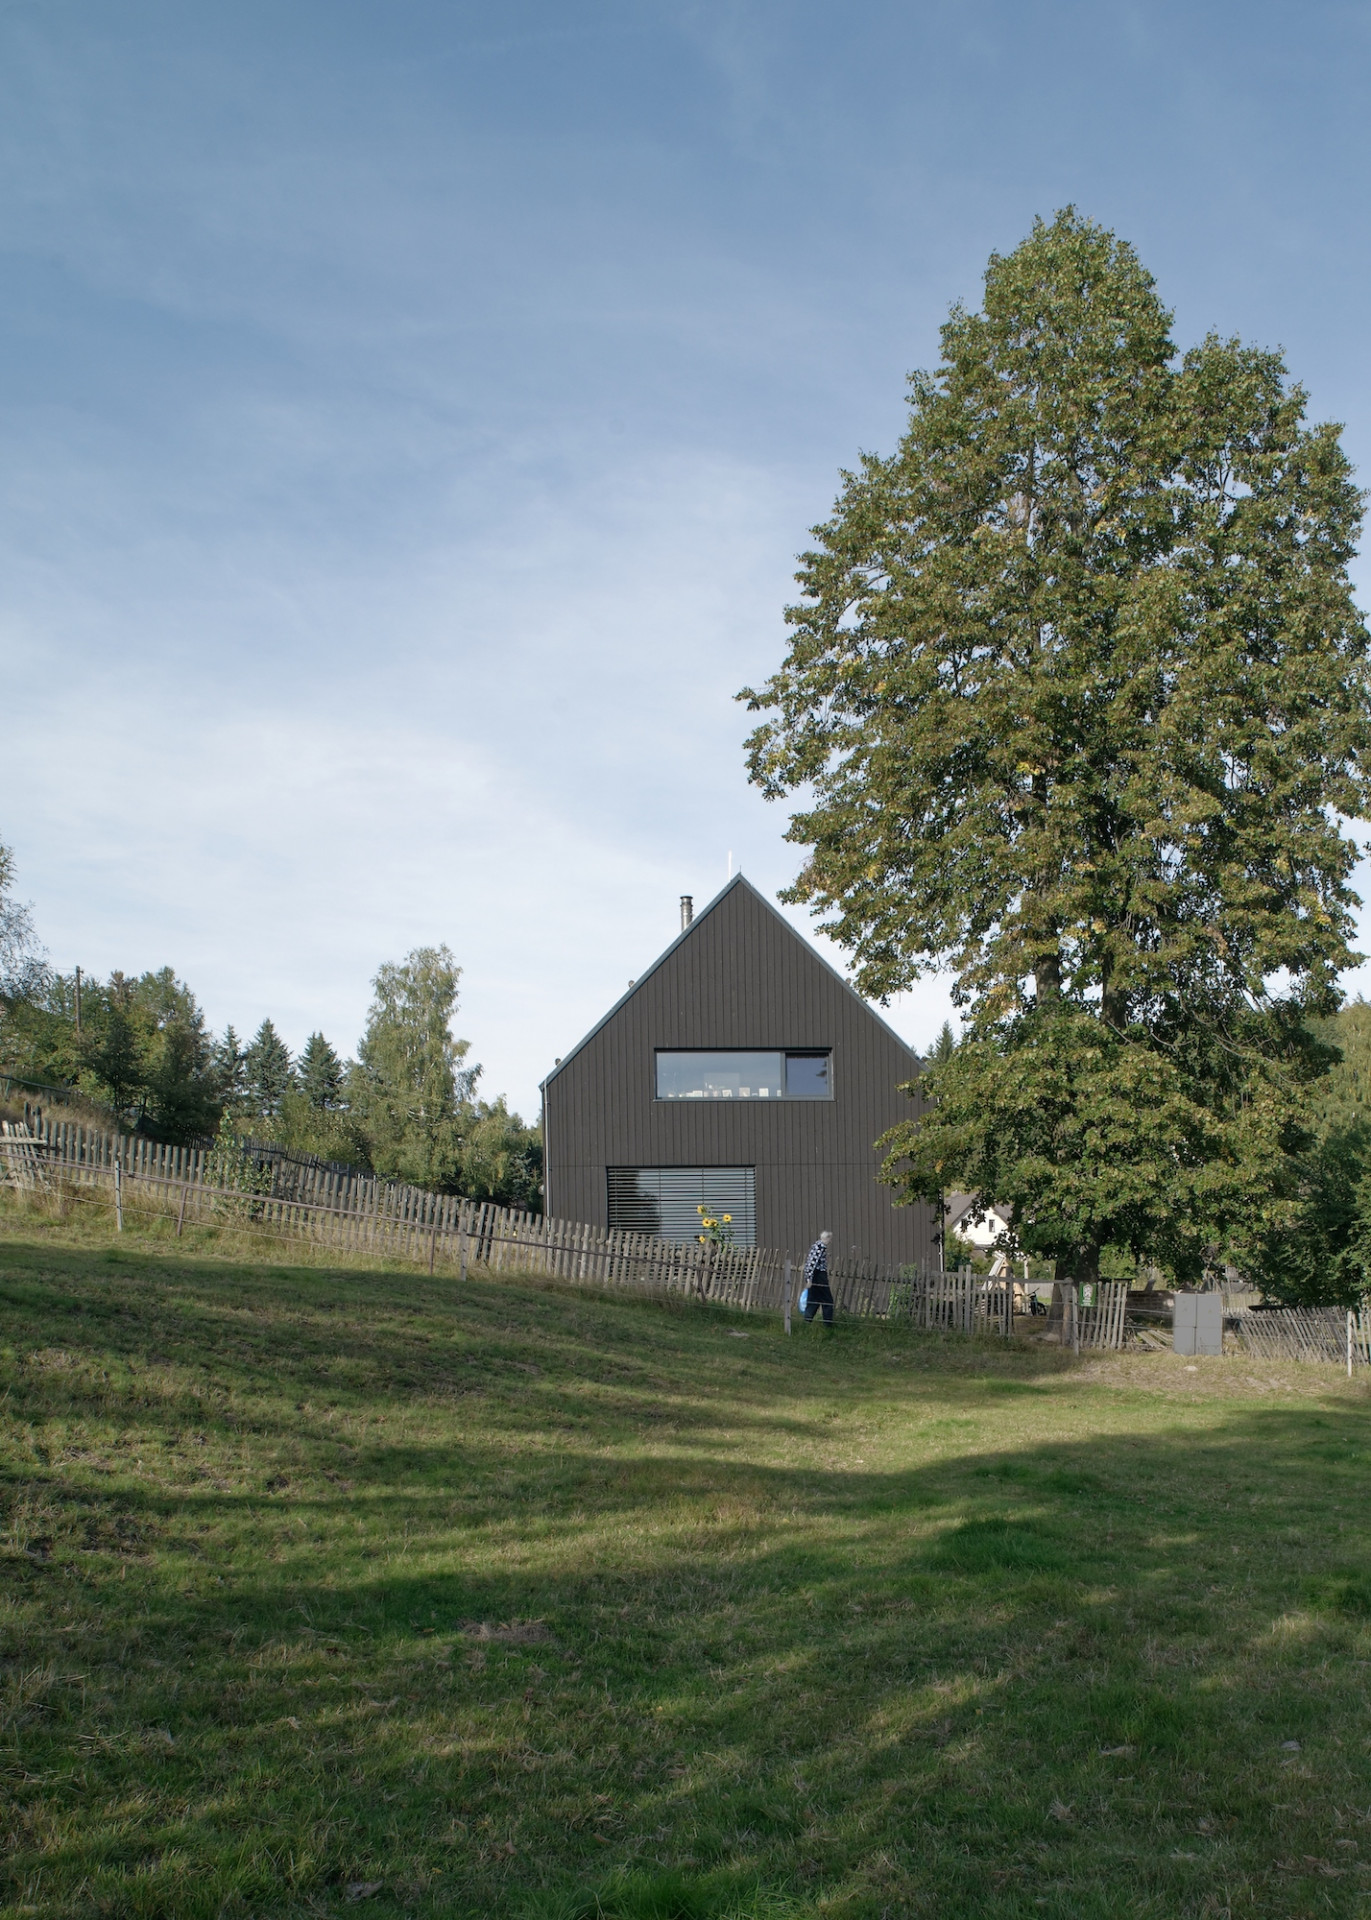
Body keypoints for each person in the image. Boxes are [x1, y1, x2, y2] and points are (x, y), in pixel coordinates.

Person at [801, 1230, 835, 1326]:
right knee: (828, 1301)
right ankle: (828, 1325)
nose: (830, 1241)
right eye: (830, 1239)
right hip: (819, 1276)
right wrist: (809, 1279)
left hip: (815, 1275)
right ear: (826, 1238)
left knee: (814, 1299)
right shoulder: (820, 1248)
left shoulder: (816, 1245)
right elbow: (812, 1263)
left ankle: (807, 1322)